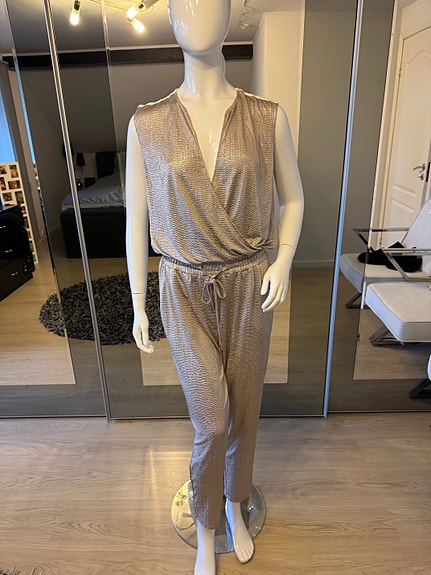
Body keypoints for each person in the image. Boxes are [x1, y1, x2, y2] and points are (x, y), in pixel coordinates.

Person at [125, 1, 304, 573]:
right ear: (169, 14)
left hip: (250, 282)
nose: (195, 10)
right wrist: (137, 303)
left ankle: (234, 503)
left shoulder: (266, 117)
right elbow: (136, 220)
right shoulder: (147, 124)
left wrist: (283, 260)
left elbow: (294, 198)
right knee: (213, 419)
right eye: (183, 1)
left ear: (231, 12)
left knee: (245, 411)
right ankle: (206, 526)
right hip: (182, 288)